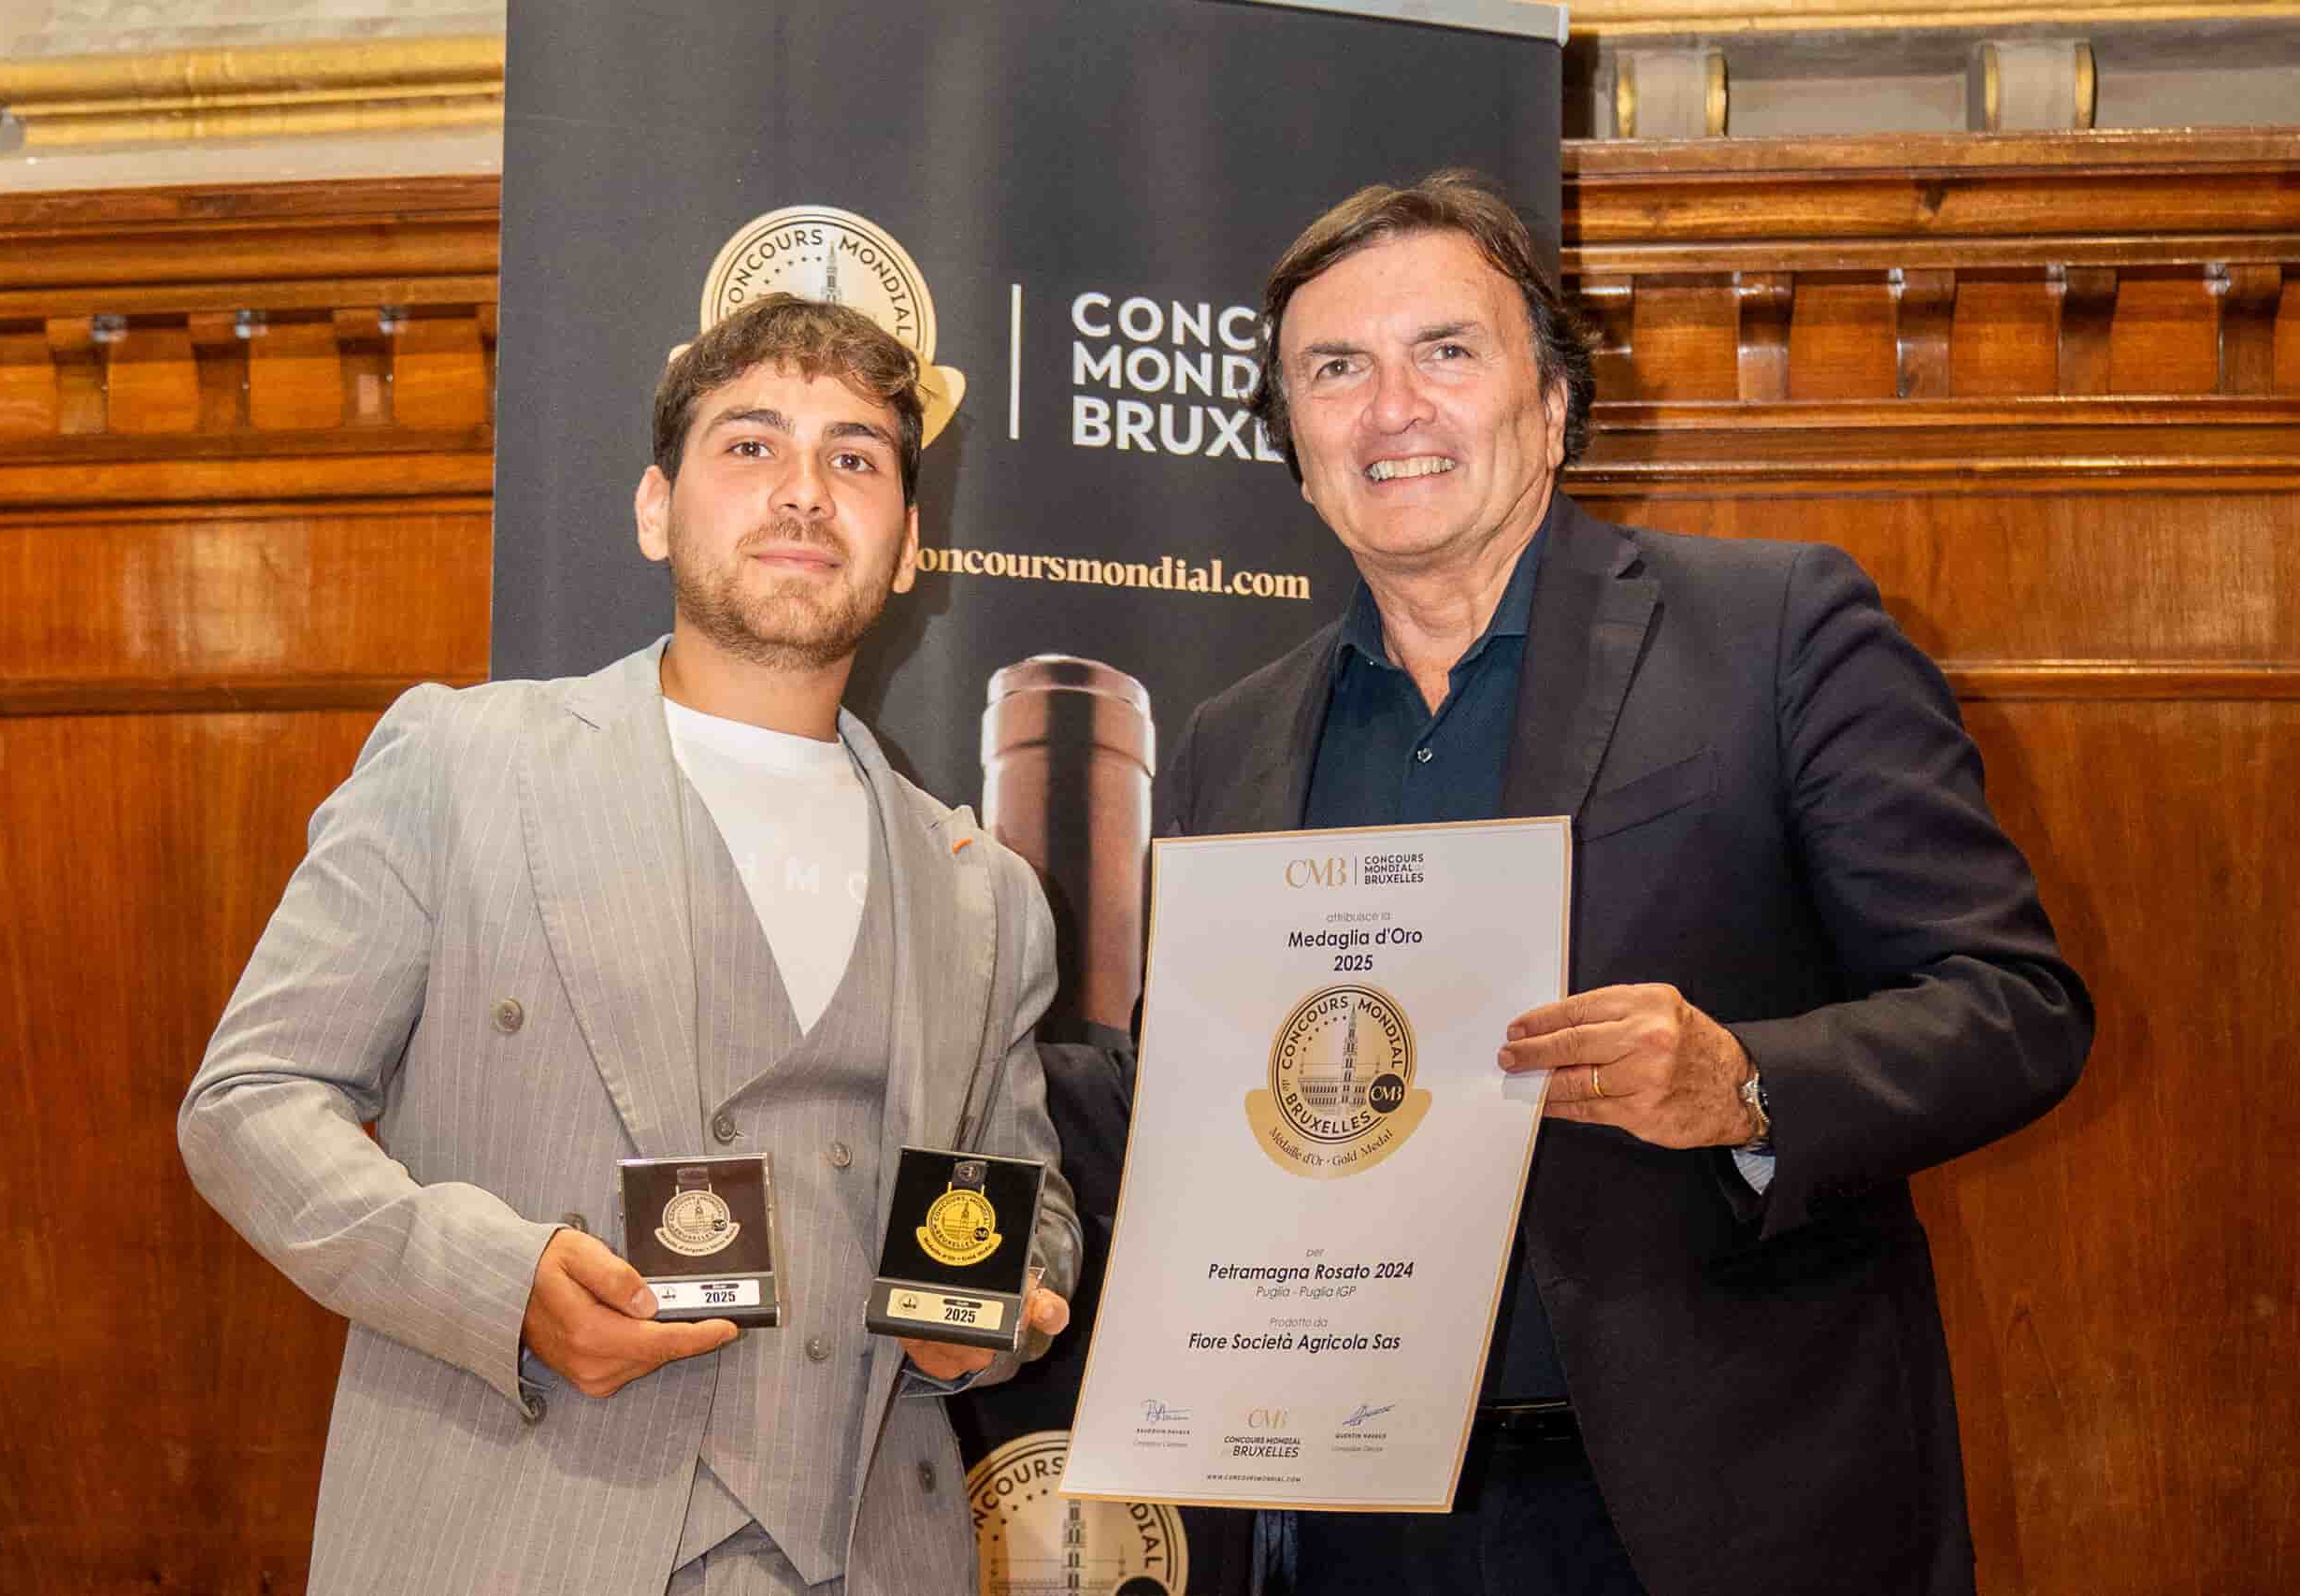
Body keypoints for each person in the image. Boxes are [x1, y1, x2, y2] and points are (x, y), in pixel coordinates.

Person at [1156, 171, 2092, 1595]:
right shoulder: (1230, 745)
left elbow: (2014, 1005)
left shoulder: (1777, 633)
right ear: (1291, 440)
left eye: (1446, 352)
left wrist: (1746, 1083)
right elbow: (1197, 1111)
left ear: (1554, 402)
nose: (1391, 408)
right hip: (1328, 1519)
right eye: (1334, 369)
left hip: (1697, 1511)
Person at [179, 294, 1079, 1596]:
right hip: (514, 1541)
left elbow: (1025, 1202)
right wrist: (498, 1282)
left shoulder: (984, 891)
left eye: (855, 459)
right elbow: (248, 1105)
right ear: (657, 508)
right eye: (752, 445)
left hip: (877, 1552)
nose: (805, 492)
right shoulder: (460, 764)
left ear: (906, 550)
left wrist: (991, 1326)